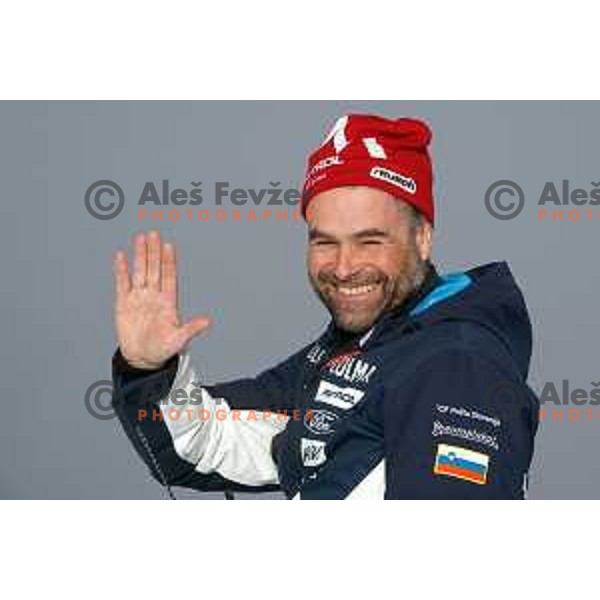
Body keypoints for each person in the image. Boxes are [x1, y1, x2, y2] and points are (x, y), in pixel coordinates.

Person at [111, 114, 539, 499]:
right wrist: (150, 369)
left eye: (369, 240)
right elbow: (206, 441)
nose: (344, 267)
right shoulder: (354, 347)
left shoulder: (455, 364)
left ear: (422, 238)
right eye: (325, 242)